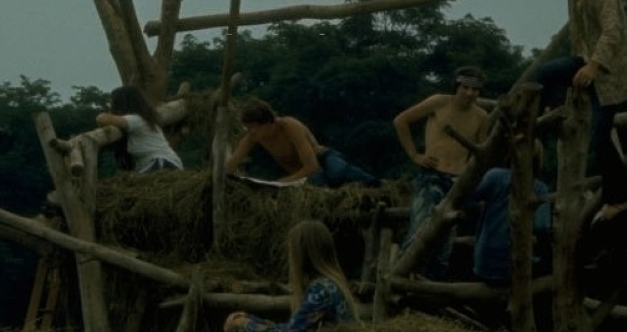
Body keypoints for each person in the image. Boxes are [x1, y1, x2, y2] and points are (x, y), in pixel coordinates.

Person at [536, 0, 627, 223]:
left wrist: (593, 67)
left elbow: (613, 33)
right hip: (585, 59)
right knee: (544, 74)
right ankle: (541, 120)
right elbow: (581, 35)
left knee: (602, 137)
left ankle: (618, 199)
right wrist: (581, 66)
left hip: (612, 72)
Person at [393, 66, 489, 279]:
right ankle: (399, 281)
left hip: (458, 181)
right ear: (457, 86)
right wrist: (415, 155)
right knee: (421, 230)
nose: (470, 93)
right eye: (465, 88)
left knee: (444, 241)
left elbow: (480, 151)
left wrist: (470, 175)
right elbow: (401, 121)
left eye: (475, 90)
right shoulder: (439, 102)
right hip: (432, 174)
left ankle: (429, 293)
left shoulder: (481, 115)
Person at [221, 220, 356, 332]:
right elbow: (293, 326)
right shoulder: (329, 285)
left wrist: (244, 323)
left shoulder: (321, 291)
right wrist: (249, 319)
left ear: (303, 255)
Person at [225, 98, 380, 188]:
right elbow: (231, 164)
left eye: (254, 128)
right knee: (318, 185)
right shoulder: (253, 137)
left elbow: (313, 166)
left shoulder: (289, 126)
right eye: (249, 128)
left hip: (321, 159)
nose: (251, 132)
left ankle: (377, 185)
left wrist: (280, 182)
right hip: (303, 174)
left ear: (268, 123)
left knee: (338, 172)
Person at [472, 142, 551, 285]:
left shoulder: (494, 176)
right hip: (515, 268)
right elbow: (542, 226)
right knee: (549, 266)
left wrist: (485, 208)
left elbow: (467, 199)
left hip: (484, 265)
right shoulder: (539, 188)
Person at [96, 85, 183, 173]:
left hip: (159, 162)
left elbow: (101, 118)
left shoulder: (135, 120)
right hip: (166, 162)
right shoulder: (146, 119)